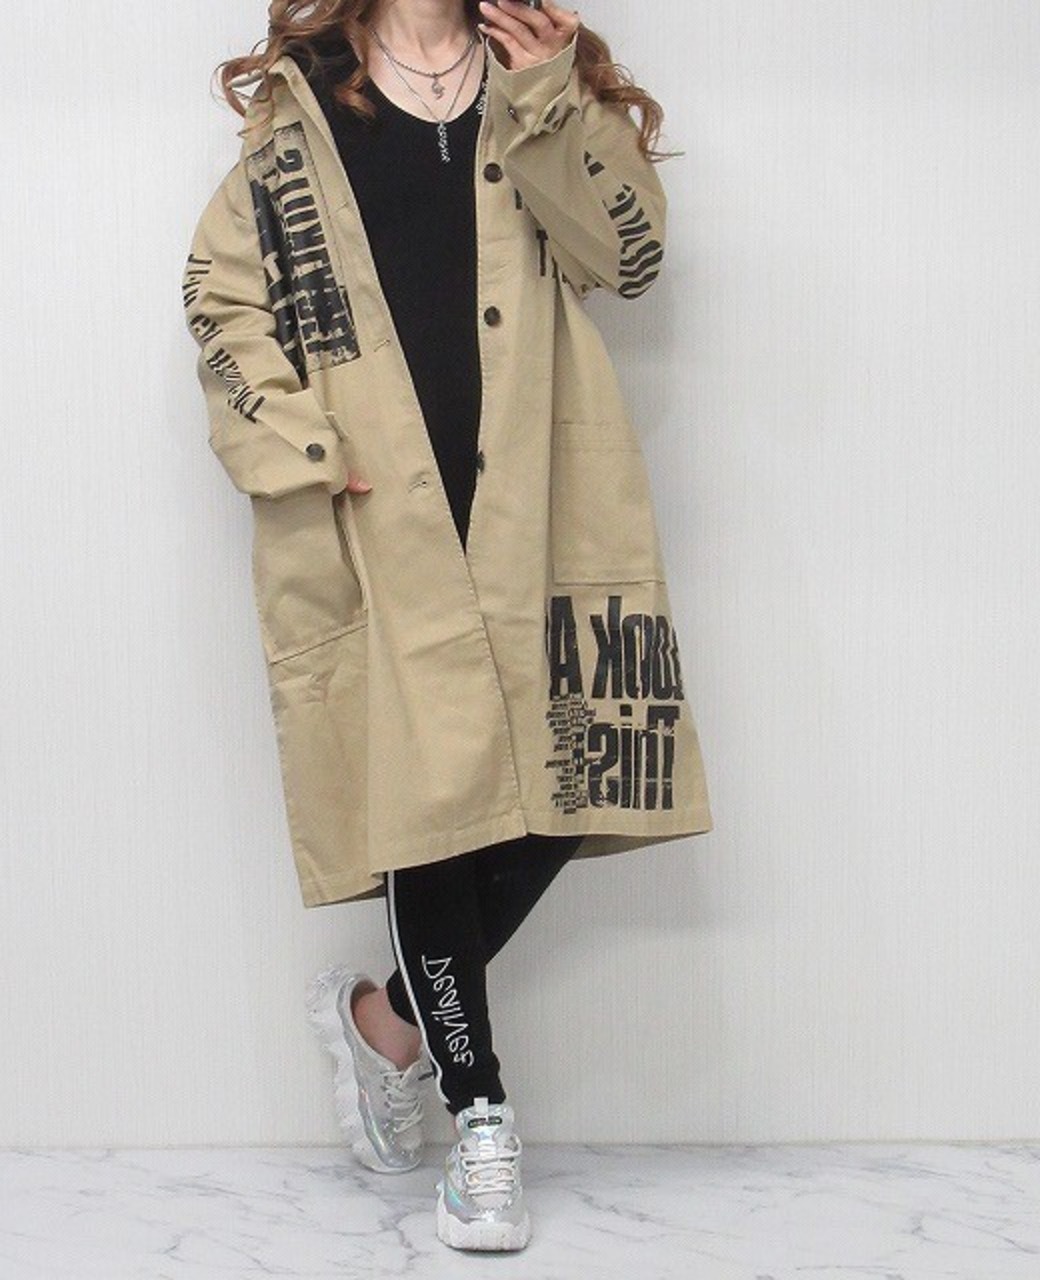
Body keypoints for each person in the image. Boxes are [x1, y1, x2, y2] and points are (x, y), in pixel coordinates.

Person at [186, 0, 689, 1254]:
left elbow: (625, 258)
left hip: (542, 502)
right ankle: (480, 1121)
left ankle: (386, 1027)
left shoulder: (539, 74)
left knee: (571, 780)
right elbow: (219, 301)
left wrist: (549, 94)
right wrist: (301, 442)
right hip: (380, 510)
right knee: (432, 809)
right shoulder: (303, 105)